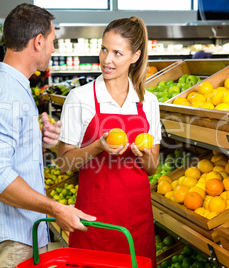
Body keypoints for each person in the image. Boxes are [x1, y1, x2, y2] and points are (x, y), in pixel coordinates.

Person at [0, 3, 95, 267]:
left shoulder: (10, 84)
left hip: (18, 234)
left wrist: (35, 140)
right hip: (11, 241)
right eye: (52, 42)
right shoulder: (6, 94)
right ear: (38, 42)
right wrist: (55, 208)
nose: (53, 49)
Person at [57, 16, 161, 267]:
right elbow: (63, 163)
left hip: (137, 222)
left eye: (117, 52)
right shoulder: (79, 98)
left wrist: (143, 155)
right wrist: (97, 147)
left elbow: (152, 167)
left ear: (135, 57)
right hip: (95, 221)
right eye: (104, 49)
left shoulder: (148, 102)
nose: (107, 59)